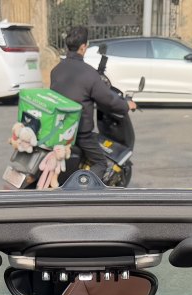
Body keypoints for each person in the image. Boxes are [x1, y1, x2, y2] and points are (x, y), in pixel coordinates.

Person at [49, 25, 135, 184]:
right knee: (101, 163)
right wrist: (126, 105)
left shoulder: (56, 70)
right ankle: (83, 189)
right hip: (79, 133)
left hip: (57, 129)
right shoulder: (89, 74)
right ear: (83, 47)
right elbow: (108, 100)